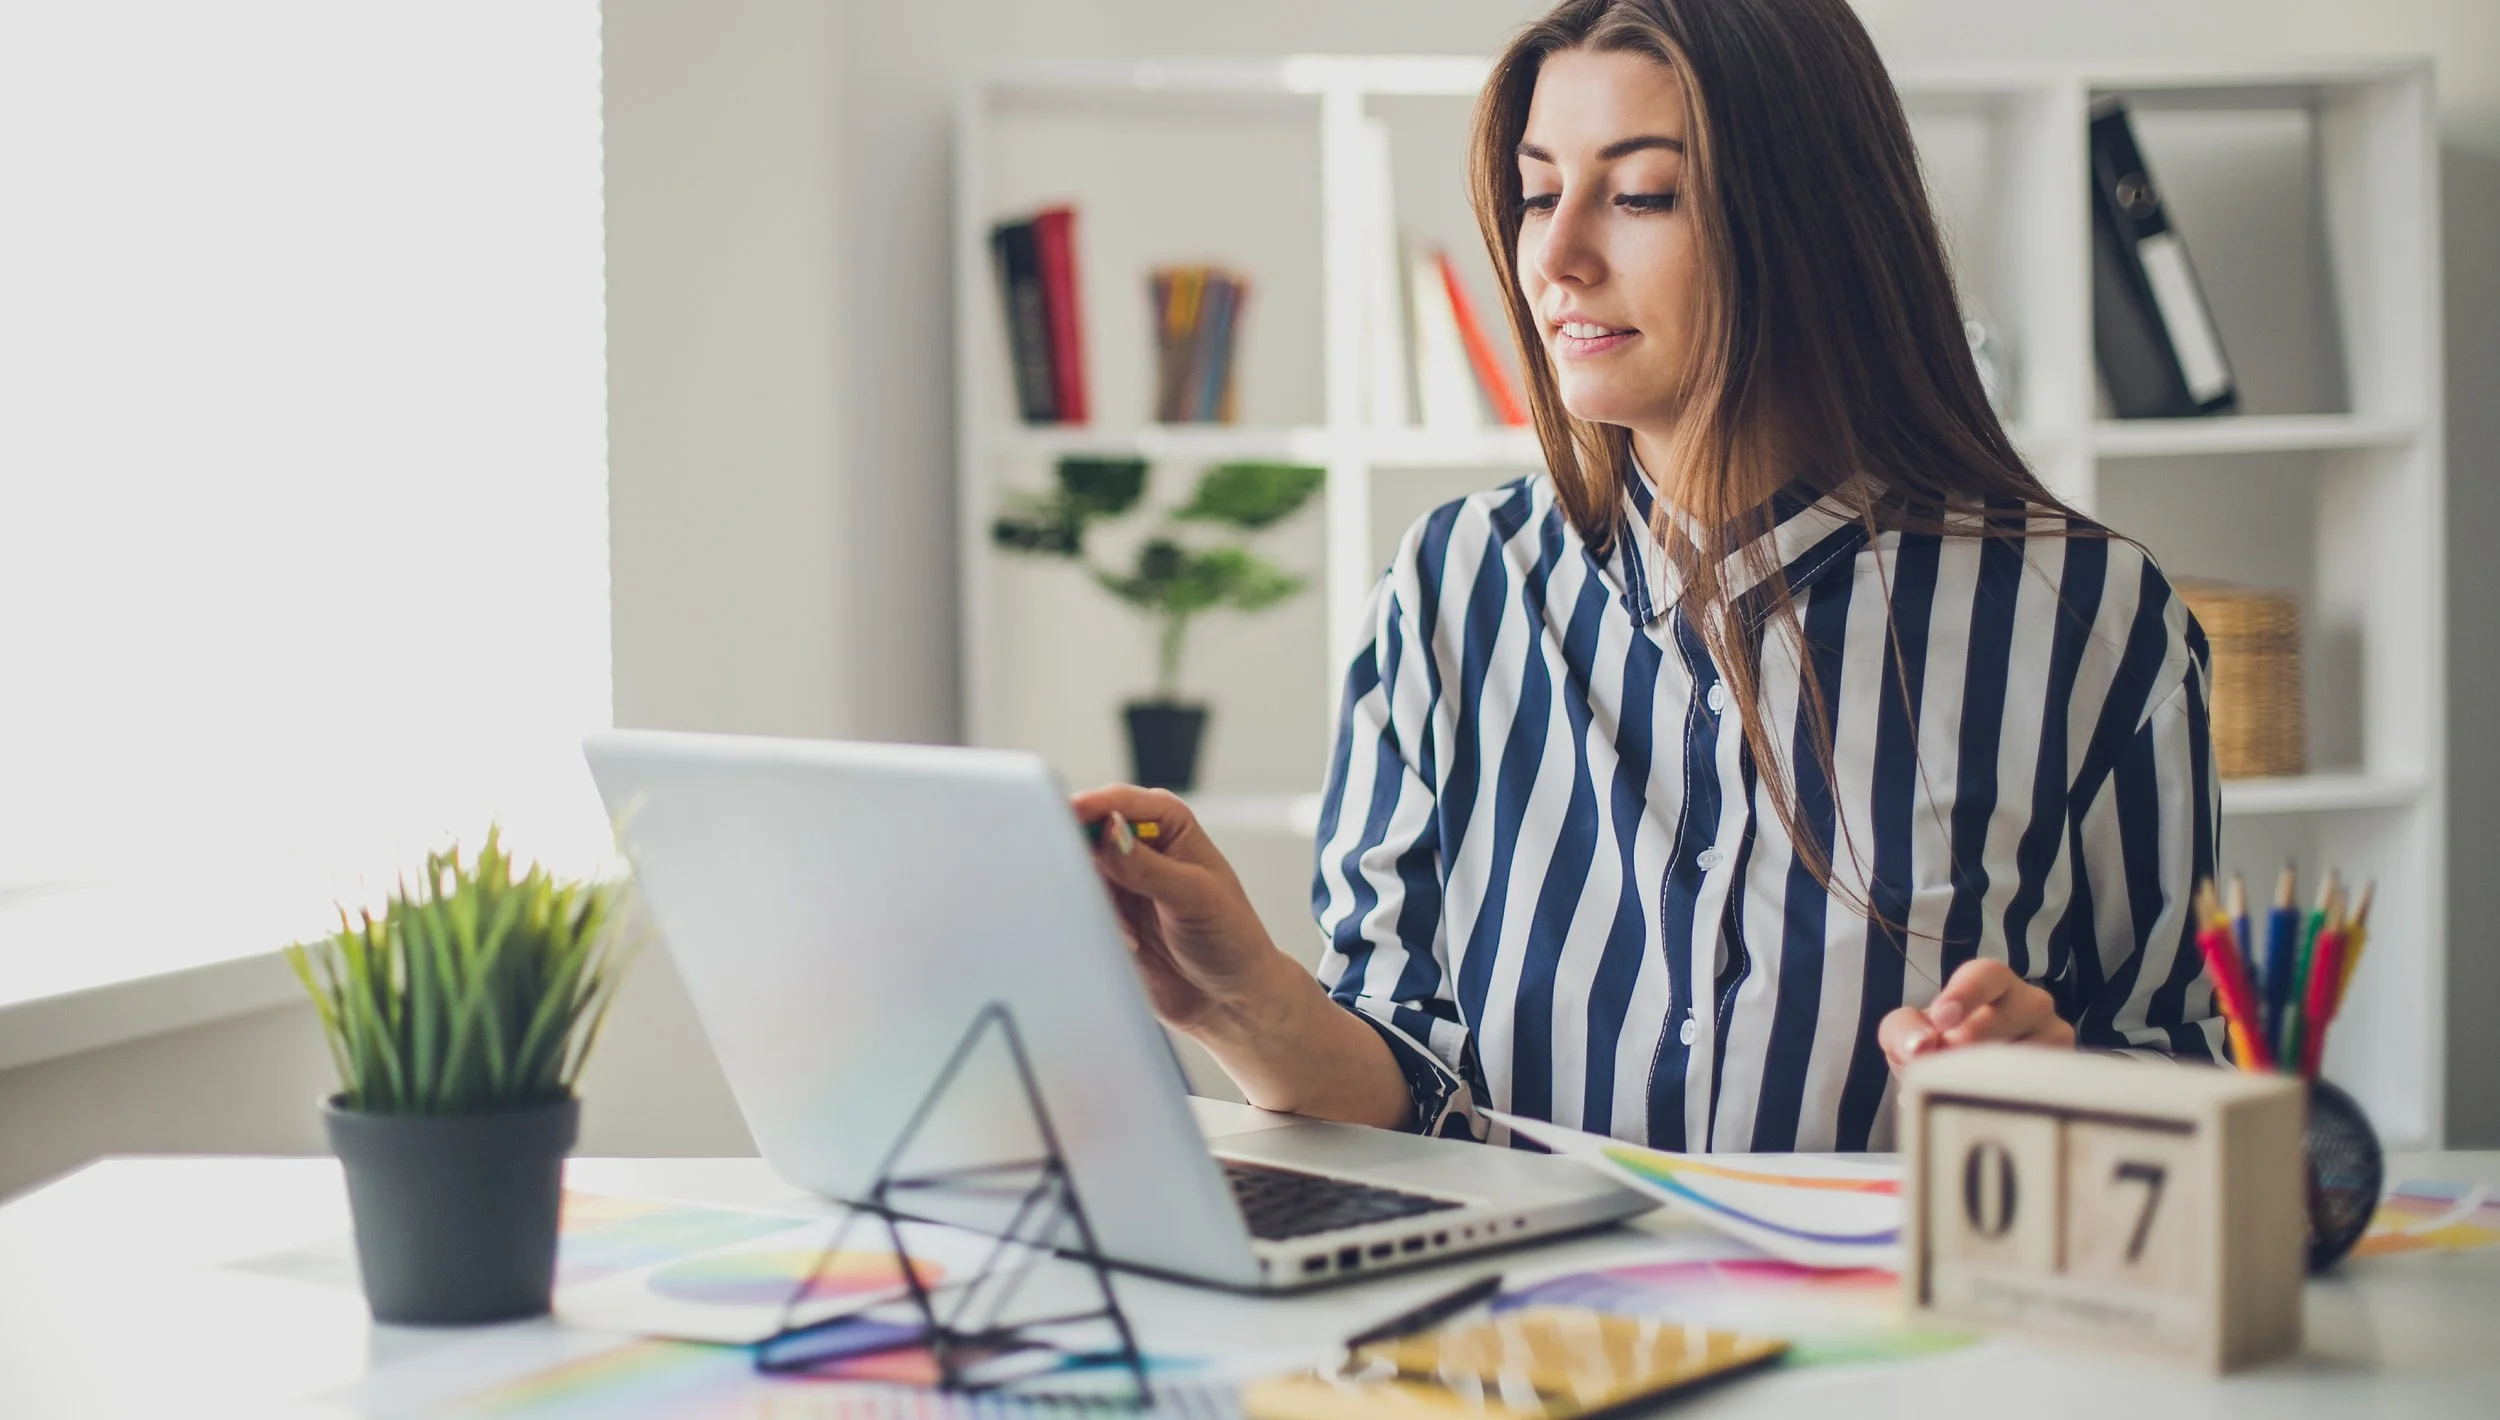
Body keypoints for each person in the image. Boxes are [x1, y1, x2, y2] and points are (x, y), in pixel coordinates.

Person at [1073, 0, 2222, 1153]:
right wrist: (1244, 999)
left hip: (1895, 1327)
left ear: (1809, 218)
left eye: (1640, 195)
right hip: (1521, 1330)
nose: (1557, 255)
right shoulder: (1448, 588)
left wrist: (2063, 1081)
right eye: (1537, 192)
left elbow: (2185, 1068)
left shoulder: (2089, 622)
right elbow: (1402, 1092)